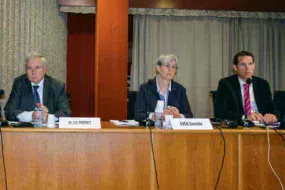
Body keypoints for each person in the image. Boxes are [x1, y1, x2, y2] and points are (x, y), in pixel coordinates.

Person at [215, 51, 278, 123]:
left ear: (254, 66)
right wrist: (244, 117)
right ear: (235, 67)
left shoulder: (262, 84)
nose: (247, 68)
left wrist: (272, 116)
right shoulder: (226, 84)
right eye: (242, 64)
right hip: (239, 126)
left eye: (250, 64)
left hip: (261, 125)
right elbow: (219, 112)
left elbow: (273, 108)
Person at [5, 51, 71, 121]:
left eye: (37, 67)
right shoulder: (20, 83)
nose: (33, 72)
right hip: (25, 129)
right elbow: (9, 111)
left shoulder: (57, 86)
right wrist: (31, 116)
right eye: (29, 68)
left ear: (45, 69)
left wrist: (48, 118)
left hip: (49, 130)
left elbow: (65, 113)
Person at [135, 53, 193, 121]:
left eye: (173, 67)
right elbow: (138, 115)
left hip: (172, 130)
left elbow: (189, 115)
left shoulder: (180, 90)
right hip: (152, 130)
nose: (170, 69)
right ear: (158, 68)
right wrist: (154, 116)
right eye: (167, 66)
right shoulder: (145, 88)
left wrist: (178, 116)